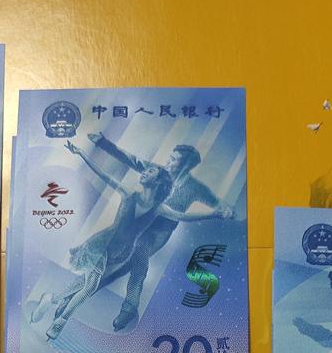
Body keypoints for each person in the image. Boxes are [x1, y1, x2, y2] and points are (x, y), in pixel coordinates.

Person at [33, 139, 231, 341]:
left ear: (185, 165)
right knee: (96, 278)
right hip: (116, 237)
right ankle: (64, 310)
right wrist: (99, 145)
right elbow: (123, 164)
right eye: (170, 158)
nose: (169, 162)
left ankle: (69, 301)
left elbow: (199, 209)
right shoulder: (150, 177)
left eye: (175, 160)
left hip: (152, 236)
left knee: (127, 266)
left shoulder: (188, 190)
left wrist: (220, 212)